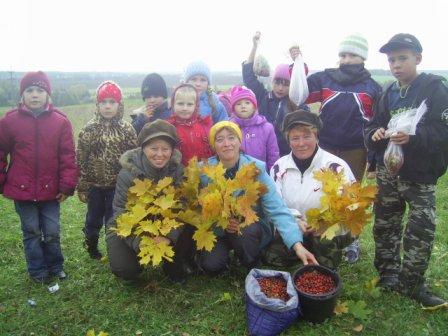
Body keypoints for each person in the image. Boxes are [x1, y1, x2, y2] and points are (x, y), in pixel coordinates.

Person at [365, 33, 448, 309]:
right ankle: (388, 273)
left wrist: (413, 137)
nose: (396, 65)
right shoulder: (388, 92)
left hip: (419, 174)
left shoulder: (434, 88)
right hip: (389, 170)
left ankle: (411, 283)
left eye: (403, 58)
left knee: (420, 228)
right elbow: (373, 125)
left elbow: (443, 131)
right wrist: (375, 135)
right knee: (385, 223)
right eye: (391, 60)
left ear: (418, 59)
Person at [289, 33, 382, 263]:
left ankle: (351, 240)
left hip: (356, 150)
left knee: (350, 197)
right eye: (342, 55)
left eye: (352, 55)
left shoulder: (373, 87)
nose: (346, 59)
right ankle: (320, 235)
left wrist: (375, 157)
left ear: (362, 58)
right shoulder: (325, 79)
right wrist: (297, 63)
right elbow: (299, 92)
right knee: (323, 194)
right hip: (326, 146)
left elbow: (378, 123)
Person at [197, 121, 317, 274]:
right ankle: (226, 256)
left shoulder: (256, 169)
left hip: (248, 227)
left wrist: (298, 246)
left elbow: (277, 208)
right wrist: (220, 222)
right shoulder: (204, 171)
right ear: (214, 145)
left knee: (246, 231)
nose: (227, 144)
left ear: (240, 141)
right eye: (220, 140)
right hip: (218, 229)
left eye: (231, 138)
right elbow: (198, 208)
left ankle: (251, 261)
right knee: (211, 265)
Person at [0, 71, 78, 283]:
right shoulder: (9, 122)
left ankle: (55, 266)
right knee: (31, 231)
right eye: (30, 90)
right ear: (22, 95)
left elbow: (68, 156)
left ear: (47, 95)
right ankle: (38, 271)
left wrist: (66, 186)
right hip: (22, 190)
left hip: (51, 190)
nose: (35, 94)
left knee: (51, 231)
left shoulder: (60, 122)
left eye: (40, 90)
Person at [106, 120, 192, 283]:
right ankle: (135, 261)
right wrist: (142, 242)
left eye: (165, 149)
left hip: (166, 224)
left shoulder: (179, 171)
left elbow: (182, 208)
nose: (159, 154)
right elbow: (121, 212)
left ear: (172, 150)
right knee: (125, 268)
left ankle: (173, 265)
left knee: (188, 223)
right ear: (143, 148)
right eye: (153, 148)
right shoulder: (127, 174)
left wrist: (168, 237)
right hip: (134, 225)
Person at [268, 111, 355, 268]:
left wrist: (327, 223)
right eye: (295, 138)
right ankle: (300, 249)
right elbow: (275, 204)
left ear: (316, 136)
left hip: (326, 228)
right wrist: (295, 221)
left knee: (324, 265)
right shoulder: (278, 167)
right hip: (293, 226)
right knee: (273, 258)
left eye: (307, 136)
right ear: (288, 141)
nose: (301, 143)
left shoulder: (336, 166)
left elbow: (352, 205)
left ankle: (328, 250)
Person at [77, 81, 137, 259]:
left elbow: (134, 158)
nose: (108, 106)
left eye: (112, 102)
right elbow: (81, 158)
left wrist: (133, 183)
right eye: (103, 102)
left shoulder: (127, 129)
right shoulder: (89, 129)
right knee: (93, 220)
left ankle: (114, 251)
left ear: (119, 104)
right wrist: (82, 185)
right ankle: (92, 245)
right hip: (95, 186)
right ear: (97, 105)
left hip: (116, 186)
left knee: (113, 221)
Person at [243, 31, 309, 157]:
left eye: (286, 84)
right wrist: (254, 47)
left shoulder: (296, 104)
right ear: (272, 81)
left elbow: (301, 80)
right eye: (277, 82)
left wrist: (299, 61)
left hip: (287, 155)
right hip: (262, 151)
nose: (280, 88)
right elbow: (248, 76)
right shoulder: (263, 96)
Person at [229, 85, 279, 171]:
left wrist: (273, 176)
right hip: (236, 178)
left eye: (247, 103)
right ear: (233, 109)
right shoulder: (229, 128)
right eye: (238, 104)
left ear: (254, 106)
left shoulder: (267, 128)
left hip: (261, 177)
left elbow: (273, 155)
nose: (243, 106)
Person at [168, 84, 213, 166]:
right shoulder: (169, 128)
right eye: (180, 104)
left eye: (189, 104)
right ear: (173, 104)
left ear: (196, 106)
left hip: (204, 172)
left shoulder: (204, 125)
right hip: (181, 174)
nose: (185, 108)